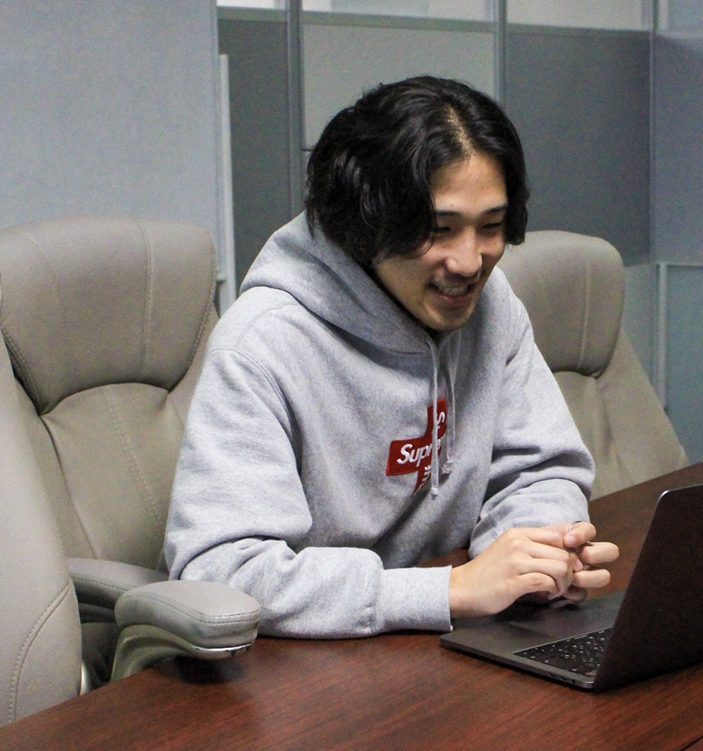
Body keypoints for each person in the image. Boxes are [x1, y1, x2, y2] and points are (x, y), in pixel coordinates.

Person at [163, 76, 618, 638]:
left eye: (492, 227)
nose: (470, 262)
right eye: (438, 231)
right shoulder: (262, 346)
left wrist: (539, 553)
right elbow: (223, 573)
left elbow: (539, 470)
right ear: (365, 222)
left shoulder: (492, 307)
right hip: (305, 663)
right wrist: (446, 591)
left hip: (450, 640)